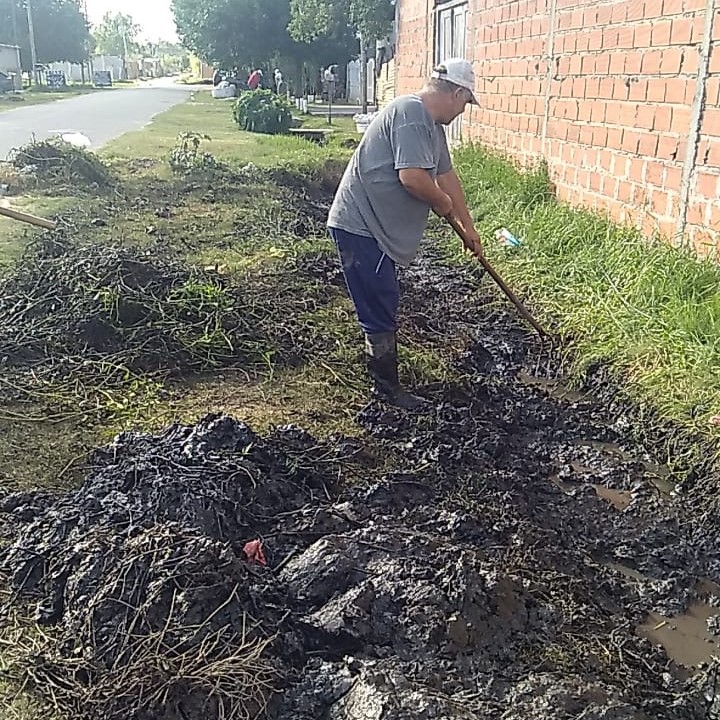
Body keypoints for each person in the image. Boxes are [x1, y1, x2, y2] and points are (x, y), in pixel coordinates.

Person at [327, 58, 483, 411]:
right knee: (379, 303)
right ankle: (385, 389)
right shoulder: (411, 113)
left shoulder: (432, 128)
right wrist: (442, 205)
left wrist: (468, 228)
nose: (462, 111)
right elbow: (412, 177)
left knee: (383, 298)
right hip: (362, 225)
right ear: (455, 93)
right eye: (465, 103)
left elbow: (447, 177)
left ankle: (385, 380)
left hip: (376, 228)